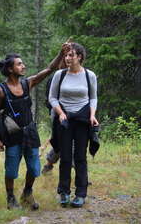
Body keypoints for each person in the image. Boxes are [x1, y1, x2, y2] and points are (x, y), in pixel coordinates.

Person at [0, 44, 68, 211]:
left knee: (34, 168)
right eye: (19, 64)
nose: (23, 66)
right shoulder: (0, 91)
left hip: (30, 132)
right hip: (12, 135)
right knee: (11, 170)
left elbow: (49, 69)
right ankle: (10, 197)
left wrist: (61, 54)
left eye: (22, 63)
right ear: (10, 69)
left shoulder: (28, 83)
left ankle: (27, 193)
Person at [48, 42, 98, 208]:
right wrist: (60, 113)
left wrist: (92, 115)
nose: (68, 58)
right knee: (65, 157)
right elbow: (52, 98)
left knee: (80, 157)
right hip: (64, 119)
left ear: (80, 57)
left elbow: (93, 97)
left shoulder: (89, 75)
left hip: (83, 119)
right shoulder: (60, 75)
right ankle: (64, 192)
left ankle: (81, 194)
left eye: (71, 55)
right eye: (66, 55)